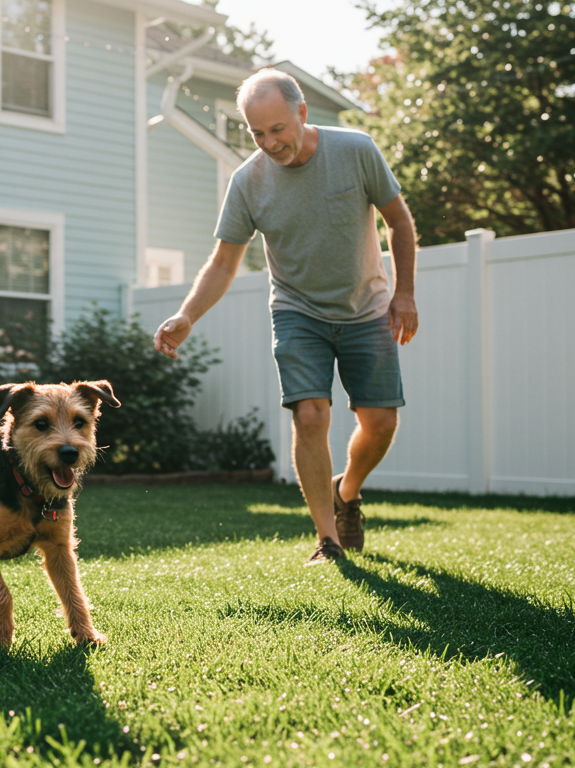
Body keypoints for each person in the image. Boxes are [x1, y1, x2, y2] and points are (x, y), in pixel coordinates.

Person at [152, 68, 418, 566]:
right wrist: (187, 315)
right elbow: (224, 262)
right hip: (298, 311)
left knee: (380, 422)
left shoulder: (355, 150)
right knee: (310, 414)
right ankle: (328, 540)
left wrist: (405, 293)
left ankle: (347, 491)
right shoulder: (247, 182)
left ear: (301, 112)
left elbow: (398, 221)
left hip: (367, 307)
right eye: (258, 133)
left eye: (277, 129)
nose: (270, 143)